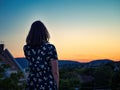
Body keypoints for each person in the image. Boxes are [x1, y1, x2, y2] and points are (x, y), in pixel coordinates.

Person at [23, 20, 59, 90]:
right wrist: (56, 87)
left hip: (32, 83)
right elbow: (55, 72)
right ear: (44, 32)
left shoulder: (26, 48)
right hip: (47, 83)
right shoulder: (50, 48)